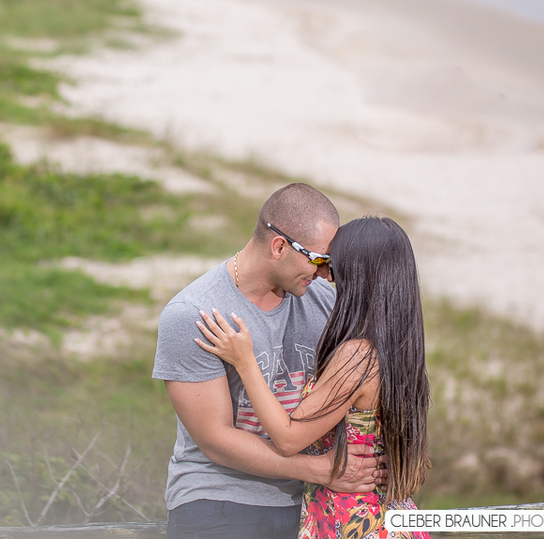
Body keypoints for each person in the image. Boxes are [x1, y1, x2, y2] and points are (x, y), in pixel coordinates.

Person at [153, 184, 384, 539]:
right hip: (219, 500)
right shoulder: (194, 314)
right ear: (279, 247)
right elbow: (215, 440)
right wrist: (323, 470)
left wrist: (373, 462)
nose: (325, 272)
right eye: (318, 259)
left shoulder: (325, 301)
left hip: (309, 505)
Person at [194, 216, 431, 539]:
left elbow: (289, 438)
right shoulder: (396, 347)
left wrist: (245, 362)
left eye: (332, 264)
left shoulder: (357, 357)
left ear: (357, 273)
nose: (324, 274)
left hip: (356, 521)